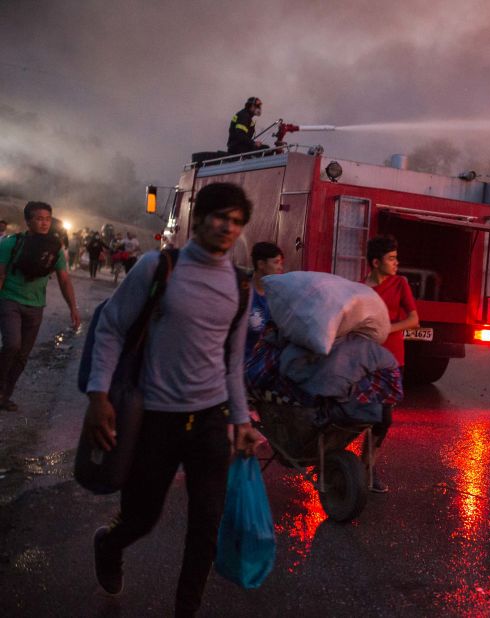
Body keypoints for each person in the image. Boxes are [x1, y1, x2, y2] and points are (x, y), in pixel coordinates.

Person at [85, 182, 262, 616]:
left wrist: (241, 420)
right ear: (198, 218)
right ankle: (110, 544)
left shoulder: (241, 286)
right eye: (220, 216)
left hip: (209, 421)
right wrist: (98, 395)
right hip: (155, 419)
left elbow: (232, 360)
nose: (227, 226)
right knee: (141, 518)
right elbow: (111, 328)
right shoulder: (158, 267)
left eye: (237, 221)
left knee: (205, 527)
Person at [0, 202, 81, 411]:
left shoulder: (54, 248)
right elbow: (0, 274)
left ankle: (5, 395)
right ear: (28, 221)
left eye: (47, 219)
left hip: (36, 306)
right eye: (38, 218)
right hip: (10, 300)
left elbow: (64, 280)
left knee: (22, 355)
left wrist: (73, 307)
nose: (44, 223)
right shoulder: (11, 243)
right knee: (11, 345)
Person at [363, 235, 419, 493]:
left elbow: (413, 320)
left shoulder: (400, 284)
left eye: (397, 258)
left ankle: (368, 465)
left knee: (384, 418)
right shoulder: (363, 290)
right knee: (365, 415)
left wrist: (387, 330)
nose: (397, 263)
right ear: (376, 262)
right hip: (368, 361)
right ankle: (361, 468)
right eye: (391, 259)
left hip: (395, 361)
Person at [245, 241, 284, 362]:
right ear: (261, 264)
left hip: (261, 362)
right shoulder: (243, 292)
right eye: (276, 262)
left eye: (281, 263)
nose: (280, 268)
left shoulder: (278, 296)